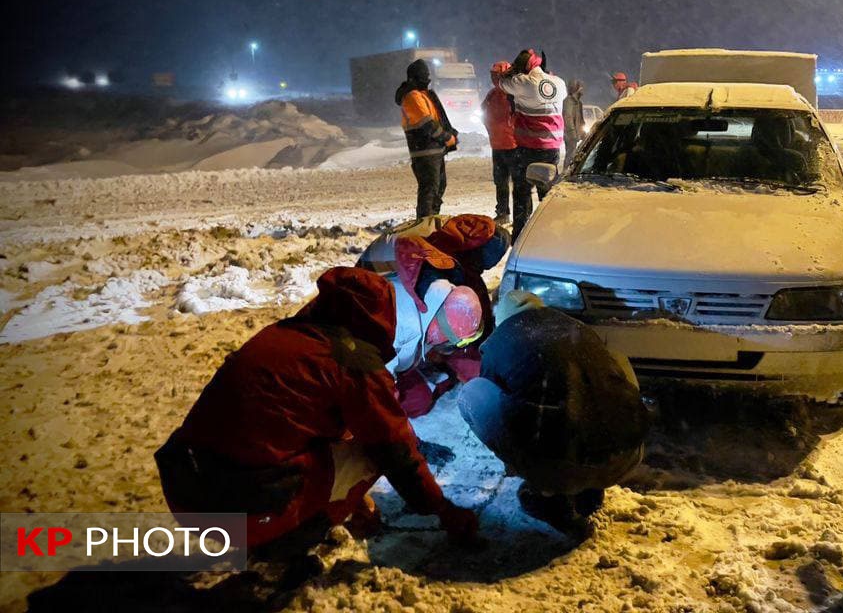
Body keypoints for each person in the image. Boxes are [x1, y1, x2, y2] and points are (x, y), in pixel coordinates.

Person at [155, 267, 478, 553]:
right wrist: (444, 511)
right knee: (369, 451)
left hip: (185, 491)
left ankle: (299, 519)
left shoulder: (282, 334)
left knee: (334, 440)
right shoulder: (351, 361)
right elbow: (395, 450)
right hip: (242, 512)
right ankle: (291, 538)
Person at [458, 291, 649, 530]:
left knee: (472, 393)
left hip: (558, 468)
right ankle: (591, 485)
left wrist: (517, 457)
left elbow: (496, 402)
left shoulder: (500, 341)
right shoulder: (577, 328)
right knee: (614, 365)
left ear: (504, 318)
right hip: (625, 455)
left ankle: (549, 495)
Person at [355, 214, 511, 415]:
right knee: (417, 399)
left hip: (389, 286)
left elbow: (469, 293)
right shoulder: (392, 327)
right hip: (375, 303)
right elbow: (376, 396)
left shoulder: (451, 240)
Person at [498, 49, 567, 237]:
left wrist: (511, 71)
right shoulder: (559, 83)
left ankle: (521, 236)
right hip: (552, 148)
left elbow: (502, 83)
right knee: (548, 191)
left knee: (522, 192)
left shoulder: (523, 83)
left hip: (528, 148)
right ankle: (553, 231)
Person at [396, 59, 459, 219]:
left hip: (433, 151)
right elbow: (428, 124)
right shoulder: (412, 96)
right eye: (424, 75)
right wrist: (447, 137)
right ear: (414, 78)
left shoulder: (422, 95)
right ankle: (425, 224)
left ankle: (431, 220)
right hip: (424, 152)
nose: (427, 79)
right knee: (429, 191)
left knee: (437, 188)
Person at [483, 61, 518, 226]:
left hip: (513, 146)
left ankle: (520, 215)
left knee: (518, 185)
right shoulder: (491, 95)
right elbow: (483, 112)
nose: (494, 78)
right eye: (493, 75)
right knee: (501, 182)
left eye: (497, 75)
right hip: (497, 146)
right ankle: (503, 213)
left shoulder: (514, 95)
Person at [563, 80, 587, 161]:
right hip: (571, 135)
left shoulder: (578, 102)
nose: (582, 89)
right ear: (575, 89)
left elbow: (580, 120)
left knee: (574, 156)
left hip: (576, 134)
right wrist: (572, 134)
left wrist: (583, 133)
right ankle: (567, 172)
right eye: (580, 87)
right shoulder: (568, 101)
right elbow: (568, 118)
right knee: (570, 156)